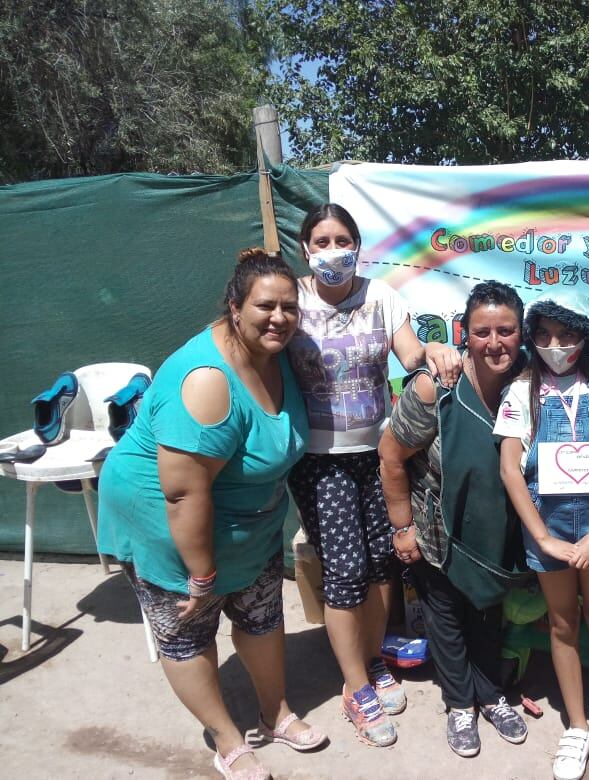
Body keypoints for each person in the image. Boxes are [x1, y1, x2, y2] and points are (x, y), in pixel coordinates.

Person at [98, 248, 325, 780]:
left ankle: (276, 713)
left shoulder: (281, 353)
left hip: (248, 515)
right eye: (265, 306)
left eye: (290, 307)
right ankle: (227, 741)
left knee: (262, 613)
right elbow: (183, 494)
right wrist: (200, 575)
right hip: (167, 519)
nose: (279, 317)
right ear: (234, 306)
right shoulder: (207, 380)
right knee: (188, 632)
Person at [285, 203, 461, 747]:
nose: (333, 250)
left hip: (377, 452)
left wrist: (432, 349)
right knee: (344, 569)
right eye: (322, 240)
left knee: (385, 560)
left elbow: (409, 354)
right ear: (306, 248)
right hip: (317, 458)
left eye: (343, 239)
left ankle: (373, 653)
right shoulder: (291, 301)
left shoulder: (383, 295)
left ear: (357, 246)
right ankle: (356, 687)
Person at [378, 280, 530, 758]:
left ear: (521, 333)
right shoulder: (436, 386)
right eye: (482, 331)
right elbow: (391, 458)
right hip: (437, 531)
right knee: (445, 616)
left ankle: (491, 696)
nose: (494, 343)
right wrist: (403, 528)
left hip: (498, 530)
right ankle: (459, 704)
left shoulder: (531, 383)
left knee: (488, 613)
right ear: (465, 333)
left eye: (506, 330)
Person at [497, 291, 589, 780]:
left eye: (566, 335)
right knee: (561, 623)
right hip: (550, 527)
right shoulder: (522, 389)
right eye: (543, 335)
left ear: (585, 337)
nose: (554, 345)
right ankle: (576, 726)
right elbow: (512, 470)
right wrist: (541, 537)